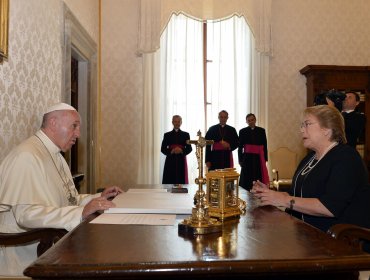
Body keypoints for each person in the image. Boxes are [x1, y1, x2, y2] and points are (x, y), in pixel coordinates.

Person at [0, 103, 123, 276]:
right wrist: (80, 213)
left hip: (53, 241)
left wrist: (98, 198)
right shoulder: (26, 156)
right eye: (74, 126)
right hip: (26, 254)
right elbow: (26, 215)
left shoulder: (55, 154)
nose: (78, 134)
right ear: (53, 123)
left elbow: (67, 199)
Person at [251, 105, 370, 236]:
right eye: (301, 125)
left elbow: (329, 207)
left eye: (307, 124)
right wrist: (269, 193)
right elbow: (296, 196)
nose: (301, 130)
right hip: (306, 235)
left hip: (341, 241)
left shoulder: (347, 157)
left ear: (327, 129)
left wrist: (282, 200)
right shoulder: (309, 158)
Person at [238, 113, 269, 191]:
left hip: (258, 158)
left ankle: (258, 193)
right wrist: (240, 160)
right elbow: (240, 147)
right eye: (249, 120)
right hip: (247, 158)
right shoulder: (242, 131)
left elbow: (265, 145)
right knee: (247, 179)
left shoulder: (261, 131)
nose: (251, 122)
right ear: (246, 122)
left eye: (252, 120)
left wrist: (265, 159)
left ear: (255, 120)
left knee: (258, 176)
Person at [161, 115, 192, 184]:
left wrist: (182, 150)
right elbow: (163, 149)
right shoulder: (167, 135)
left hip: (181, 160)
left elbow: (189, 148)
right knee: (169, 180)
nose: (177, 123)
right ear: (172, 122)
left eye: (178, 122)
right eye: (175, 121)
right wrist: (171, 151)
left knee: (181, 182)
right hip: (170, 160)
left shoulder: (186, 134)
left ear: (181, 122)